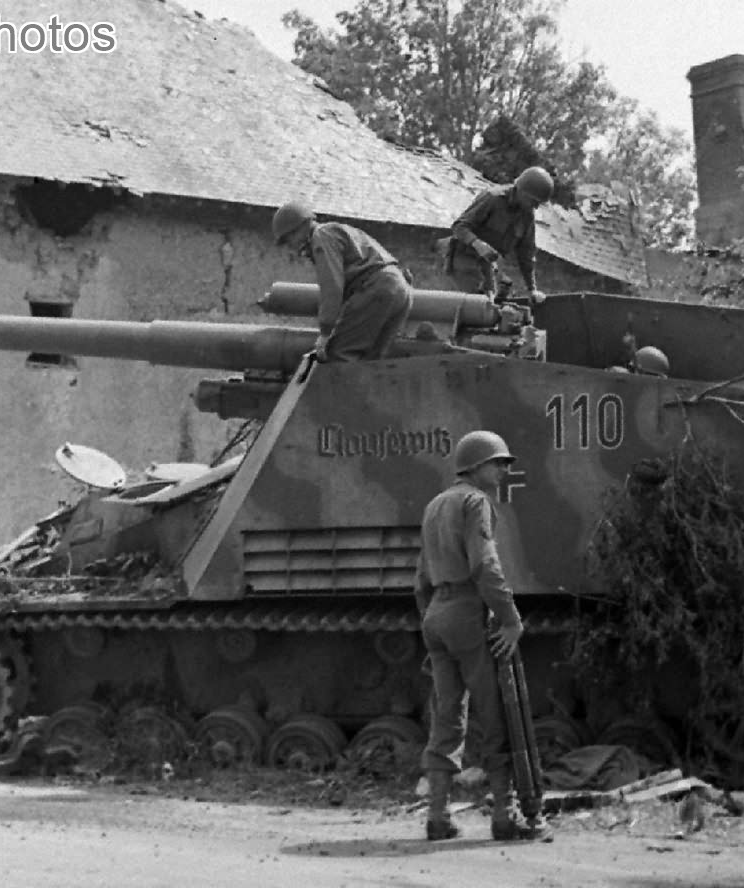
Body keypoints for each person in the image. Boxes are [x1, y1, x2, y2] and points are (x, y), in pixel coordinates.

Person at [413, 430, 546, 842]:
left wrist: (433, 623)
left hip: (436, 613)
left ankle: (438, 816)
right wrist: (510, 618)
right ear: (474, 466)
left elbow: (421, 579)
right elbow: (485, 566)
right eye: (498, 463)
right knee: (495, 716)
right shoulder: (476, 502)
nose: (505, 470)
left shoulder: (436, 505)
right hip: (469, 613)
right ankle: (505, 817)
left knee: (447, 718)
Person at [272, 201, 412, 362]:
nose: (292, 247)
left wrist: (325, 333)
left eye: (289, 240)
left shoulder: (321, 236)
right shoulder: (336, 231)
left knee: (338, 354)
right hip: (400, 289)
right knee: (371, 361)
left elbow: (332, 287)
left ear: (298, 229)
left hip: (376, 288)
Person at [444, 167, 553, 303]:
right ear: (522, 192)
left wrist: (532, 290)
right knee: (477, 306)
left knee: (498, 304)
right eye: (534, 202)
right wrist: (478, 244)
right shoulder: (492, 198)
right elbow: (459, 227)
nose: (535, 207)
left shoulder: (527, 215)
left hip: (489, 267)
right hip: (464, 260)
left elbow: (526, 254)